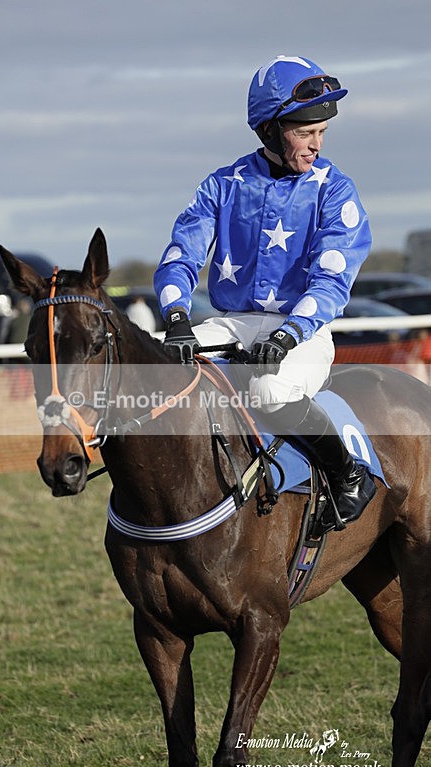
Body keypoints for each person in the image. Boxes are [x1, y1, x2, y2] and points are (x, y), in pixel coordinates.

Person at [154, 54, 376, 531]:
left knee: (270, 391)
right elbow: (182, 253)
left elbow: (332, 281)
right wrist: (175, 317)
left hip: (304, 328)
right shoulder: (222, 184)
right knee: (157, 370)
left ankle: (348, 474)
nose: (316, 144)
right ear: (269, 130)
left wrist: (290, 334)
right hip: (232, 322)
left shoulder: (335, 191)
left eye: (321, 133)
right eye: (305, 132)